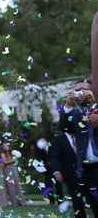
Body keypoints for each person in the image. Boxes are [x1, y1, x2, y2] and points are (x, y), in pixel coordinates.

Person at [60, 79, 98, 216]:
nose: (80, 94)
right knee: (93, 201)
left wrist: (94, 102)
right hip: (86, 165)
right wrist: (68, 106)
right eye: (77, 91)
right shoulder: (76, 113)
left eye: (83, 90)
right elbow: (64, 128)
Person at [51, 127, 87, 217]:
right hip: (70, 173)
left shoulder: (82, 135)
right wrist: (57, 171)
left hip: (87, 171)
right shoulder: (59, 138)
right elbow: (55, 157)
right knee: (76, 199)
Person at [35, 137, 63, 204]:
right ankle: (52, 200)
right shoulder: (40, 150)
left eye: (44, 141)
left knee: (58, 184)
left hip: (55, 169)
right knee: (48, 184)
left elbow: (56, 156)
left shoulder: (52, 147)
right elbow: (38, 157)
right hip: (47, 170)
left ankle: (60, 200)